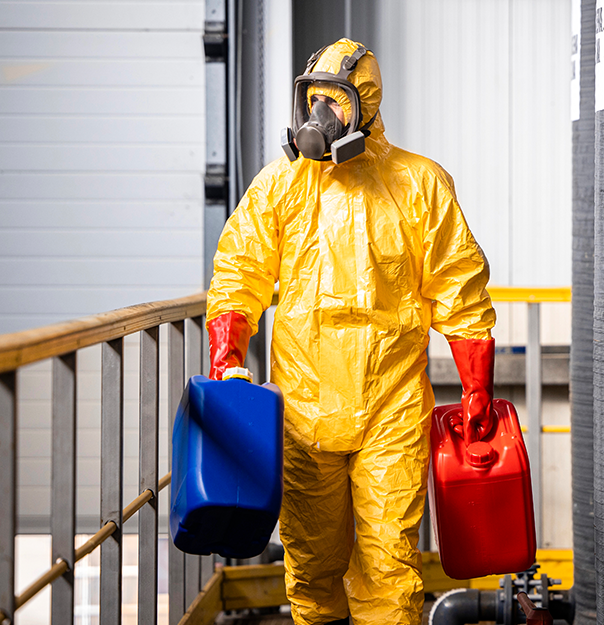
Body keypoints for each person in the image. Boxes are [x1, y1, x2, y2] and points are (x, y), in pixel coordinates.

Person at [205, 38, 497, 625]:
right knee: (313, 568)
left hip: (391, 409)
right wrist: (225, 356)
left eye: (335, 100)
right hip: (303, 412)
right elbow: (239, 273)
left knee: (389, 568)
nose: (320, 114)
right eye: (313, 98)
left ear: (365, 104)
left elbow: (459, 288)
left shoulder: (419, 184)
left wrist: (477, 387)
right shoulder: (280, 186)